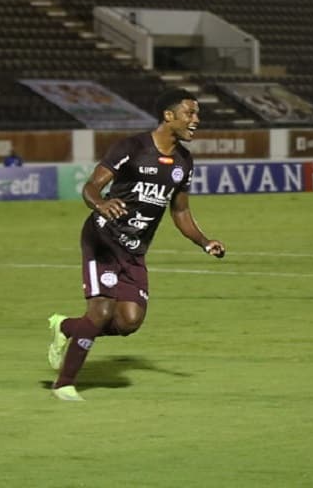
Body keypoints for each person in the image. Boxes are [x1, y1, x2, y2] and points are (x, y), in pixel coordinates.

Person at [47, 88, 226, 401]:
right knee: (101, 311)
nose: (196, 120)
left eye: (197, 114)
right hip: (102, 238)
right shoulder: (131, 147)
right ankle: (64, 384)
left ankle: (67, 328)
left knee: (129, 321)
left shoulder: (183, 161)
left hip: (134, 250)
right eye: (190, 113)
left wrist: (204, 241)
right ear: (168, 116)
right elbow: (91, 186)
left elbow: (180, 211)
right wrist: (100, 204)